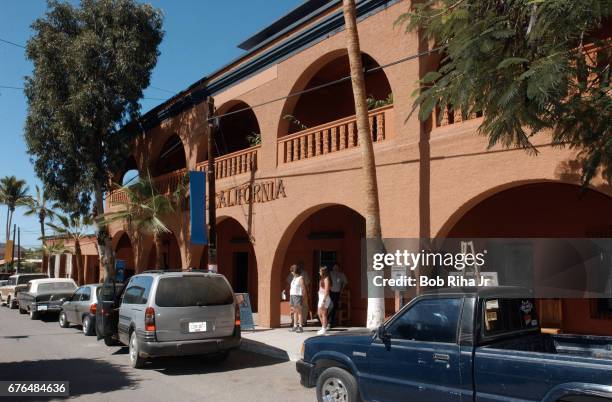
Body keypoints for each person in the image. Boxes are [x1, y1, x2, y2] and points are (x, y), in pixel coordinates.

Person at [328, 263, 347, 327]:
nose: (335, 268)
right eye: (334, 267)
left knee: (333, 307)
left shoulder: (341, 274)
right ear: (333, 267)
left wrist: (342, 289)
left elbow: (345, 282)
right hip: (330, 292)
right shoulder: (330, 273)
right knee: (329, 306)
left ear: (339, 268)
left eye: (337, 267)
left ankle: (330, 322)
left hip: (337, 292)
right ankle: (327, 320)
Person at [289, 264, 306, 333]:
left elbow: (303, 289)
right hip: (292, 296)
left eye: (292, 271)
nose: (291, 272)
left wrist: (303, 297)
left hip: (297, 296)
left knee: (299, 312)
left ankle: (301, 327)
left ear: (295, 271)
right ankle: (295, 326)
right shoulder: (294, 278)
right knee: (294, 312)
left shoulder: (300, 278)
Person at [317, 265, 333, 335]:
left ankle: (324, 329)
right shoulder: (322, 279)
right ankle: (324, 328)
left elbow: (326, 291)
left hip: (324, 298)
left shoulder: (326, 279)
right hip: (321, 297)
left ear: (323, 271)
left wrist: (323, 300)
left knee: (323, 314)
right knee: (319, 313)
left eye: (320, 271)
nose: (319, 272)